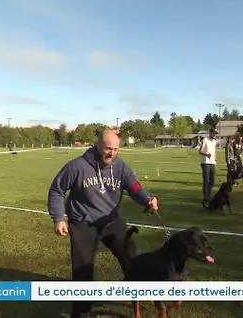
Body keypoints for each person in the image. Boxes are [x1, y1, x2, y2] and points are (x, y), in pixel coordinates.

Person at [47, 129, 159, 318]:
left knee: (130, 254)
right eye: (108, 149)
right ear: (98, 145)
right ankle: (82, 312)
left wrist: (147, 199)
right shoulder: (77, 166)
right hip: (83, 223)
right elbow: (57, 190)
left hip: (111, 221)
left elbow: (134, 187)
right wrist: (58, 218)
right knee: (83, 269)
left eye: (116, 149)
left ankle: (138, 291)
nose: (112, 153)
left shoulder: (120, 166)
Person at [199, 129, 218, 207]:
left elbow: (215, 149)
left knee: (212, 181)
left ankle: (208, 196)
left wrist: (216, 157)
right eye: (213, 133)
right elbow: (200, 151)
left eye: (215, 134)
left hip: (212, 162)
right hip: (205, 162)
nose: (214, 135)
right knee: (206, 180)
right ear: (210, 133)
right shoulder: (205, 140)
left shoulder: (214, 141)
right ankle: (206, 198)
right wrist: (206, 154)